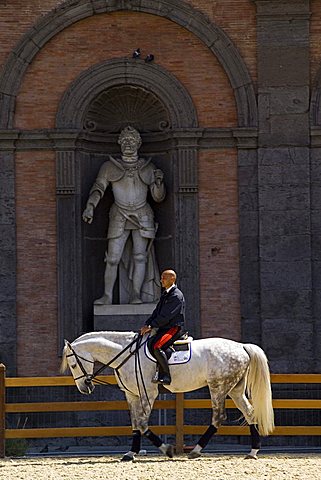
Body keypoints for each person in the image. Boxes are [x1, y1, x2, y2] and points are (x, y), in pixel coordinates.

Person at [82, 126, 166, 305]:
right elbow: (99, 188)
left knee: (140, 256)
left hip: (143, 214)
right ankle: (107, 296)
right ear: (120, 143)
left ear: (138, 144)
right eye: (125, 141)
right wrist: (90, 206)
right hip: (119, 214)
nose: (128, 144)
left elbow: (158, 197)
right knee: (112, 258)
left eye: (132, 141)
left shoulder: (148, 167)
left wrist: (158, 182)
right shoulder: (109, 167)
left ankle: (136, 294)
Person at [140, 269, 185, 385]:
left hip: (173, 328)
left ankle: (166, 375)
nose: (161, 281)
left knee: (157, 346)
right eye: (161, 278)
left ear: (172, 279)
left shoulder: (176, 295)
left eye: (164, 278)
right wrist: (147, 324)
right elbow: (157, 312)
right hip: (164, 327)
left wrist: (152, 325)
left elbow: (166, 316)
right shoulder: (166, 294)